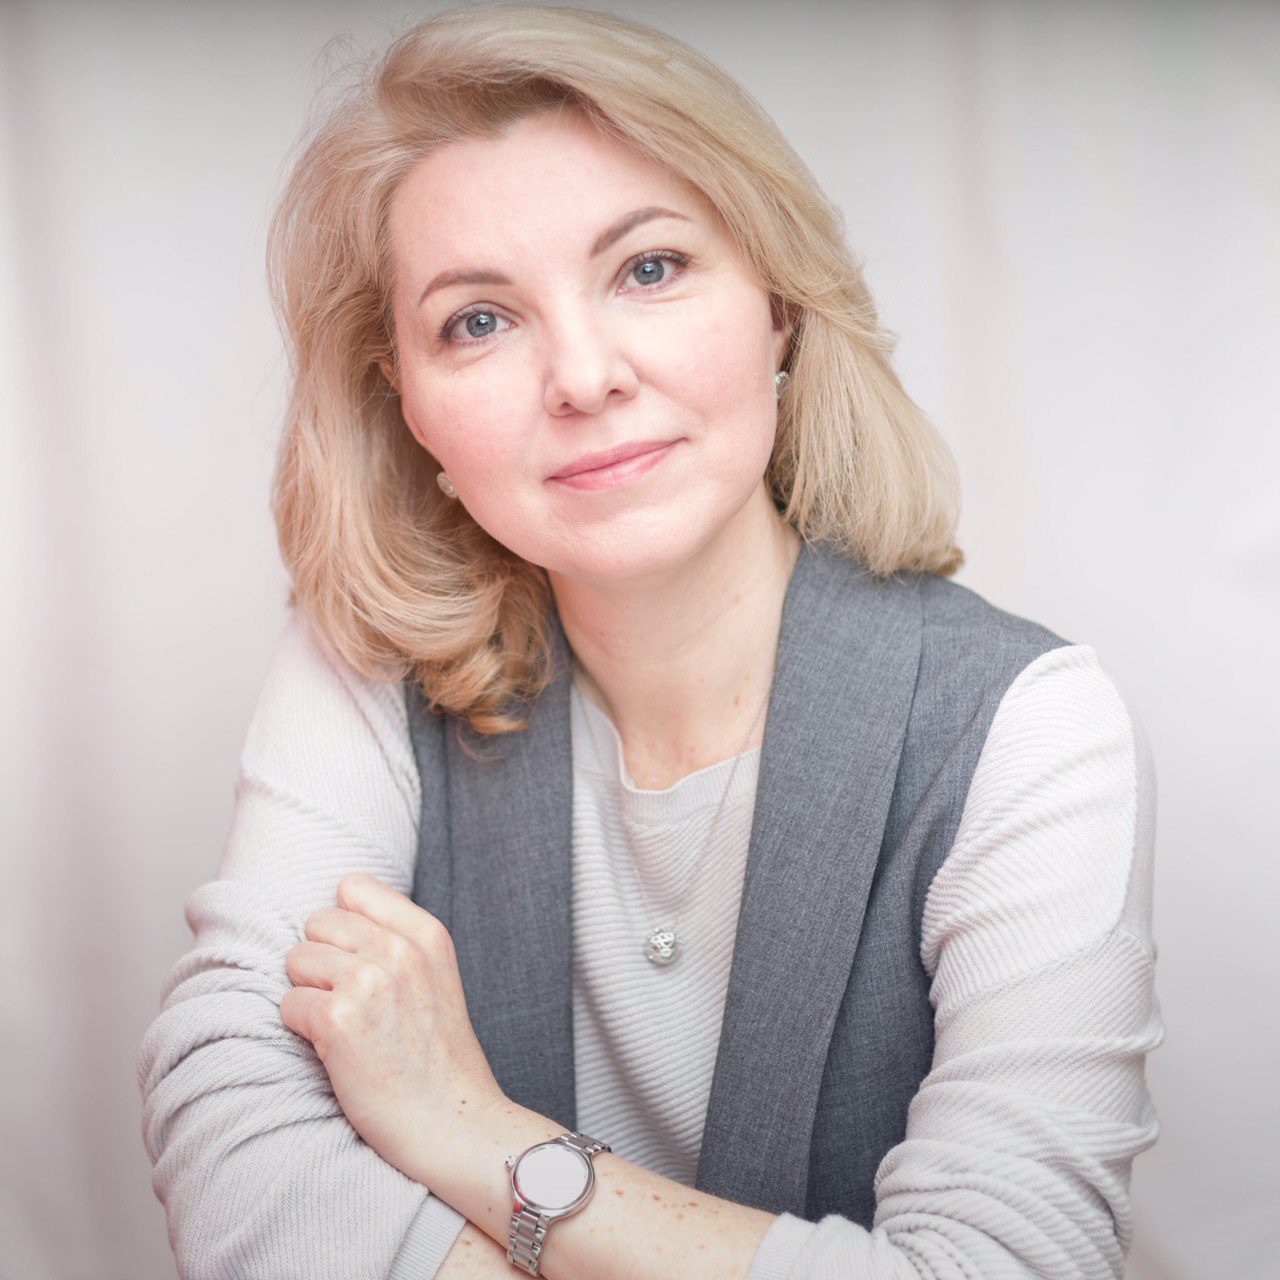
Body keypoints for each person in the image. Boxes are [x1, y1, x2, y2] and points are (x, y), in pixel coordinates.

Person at [137, 5, 1163, 1278]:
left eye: (648, 268)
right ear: (405, 407)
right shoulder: (362, 664)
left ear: (778, 307)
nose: (582, 376)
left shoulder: (1030, 724)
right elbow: (229, 1136)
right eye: (477, 320)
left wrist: (472, 1129)